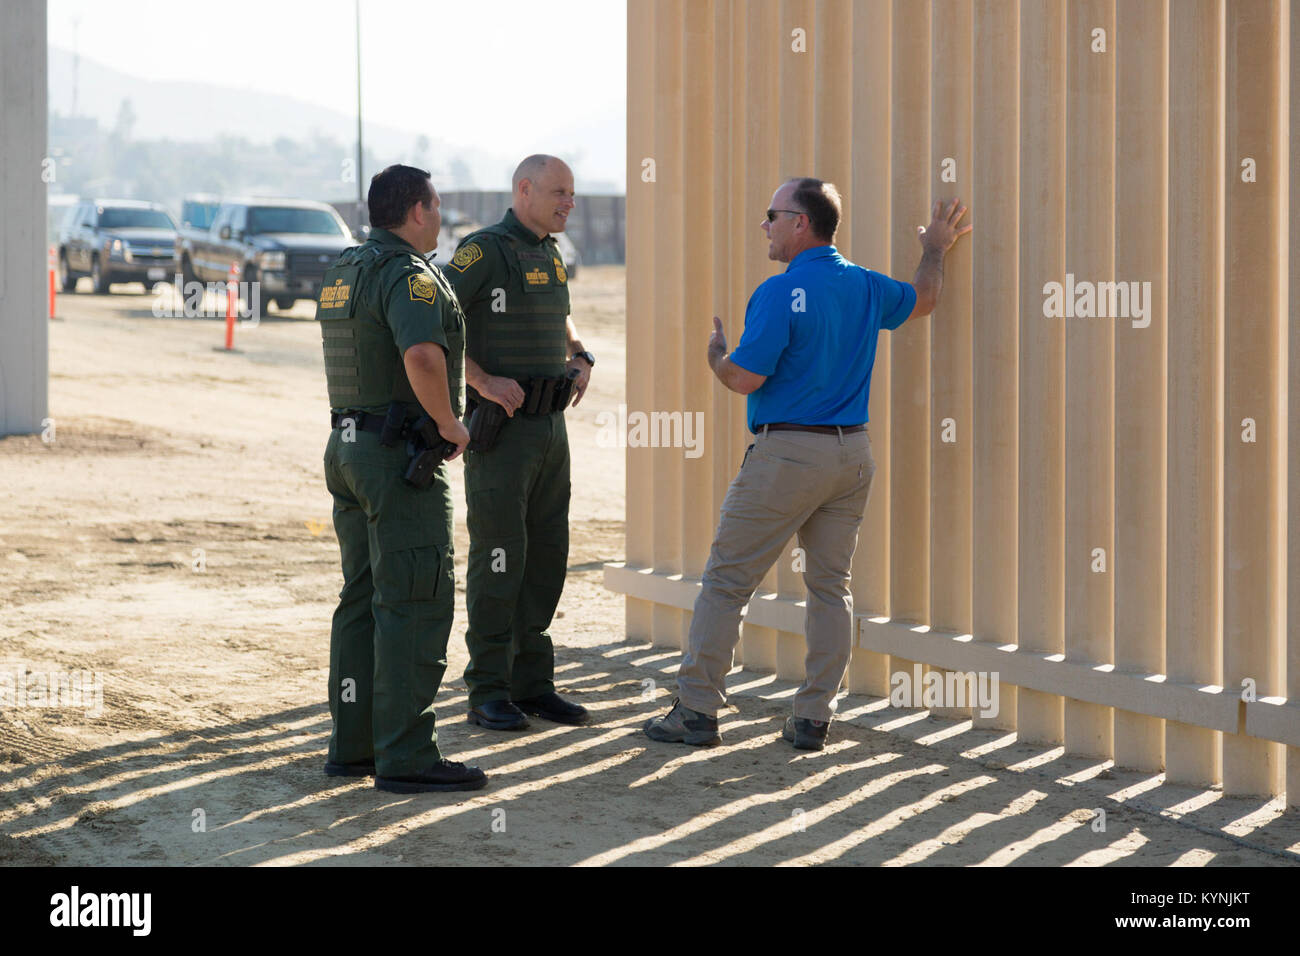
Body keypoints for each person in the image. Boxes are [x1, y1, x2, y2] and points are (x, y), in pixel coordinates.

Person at [644, 178, 972, 751]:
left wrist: (717, 357)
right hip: (852, 455)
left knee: (727, 580)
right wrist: (935, 248)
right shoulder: (865, 285)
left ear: (801, 222)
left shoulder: (780, 291)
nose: (764, 225)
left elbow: (746, 378)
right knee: (829, 587)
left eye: (772, 215)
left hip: (788, 454)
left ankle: (696, 712)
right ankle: (813, 718)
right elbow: (925, 297)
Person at [319, 163, 485, 792]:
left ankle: (354, 744)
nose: (440, 215)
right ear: (416, 210)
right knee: (413, 600)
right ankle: (406, 753)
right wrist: (450, 423)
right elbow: (420, 355)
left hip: (348, 448)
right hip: (398, 463)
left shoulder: (346, 269)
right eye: (436, 205)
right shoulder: (409, 277)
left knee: (361, 598)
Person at [443, 154, 594, 731]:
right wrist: (479, 380)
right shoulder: (484, 250)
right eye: (559, 192)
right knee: (500, 558)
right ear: (524, 190)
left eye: (573, 194)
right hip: (501, 434)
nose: (568, 203)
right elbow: (438, 321)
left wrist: (578, 355)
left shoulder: (549, 251)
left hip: (550, 428)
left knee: (546, 557)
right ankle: (487, 688)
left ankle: (533, 683)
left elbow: (563, 317)